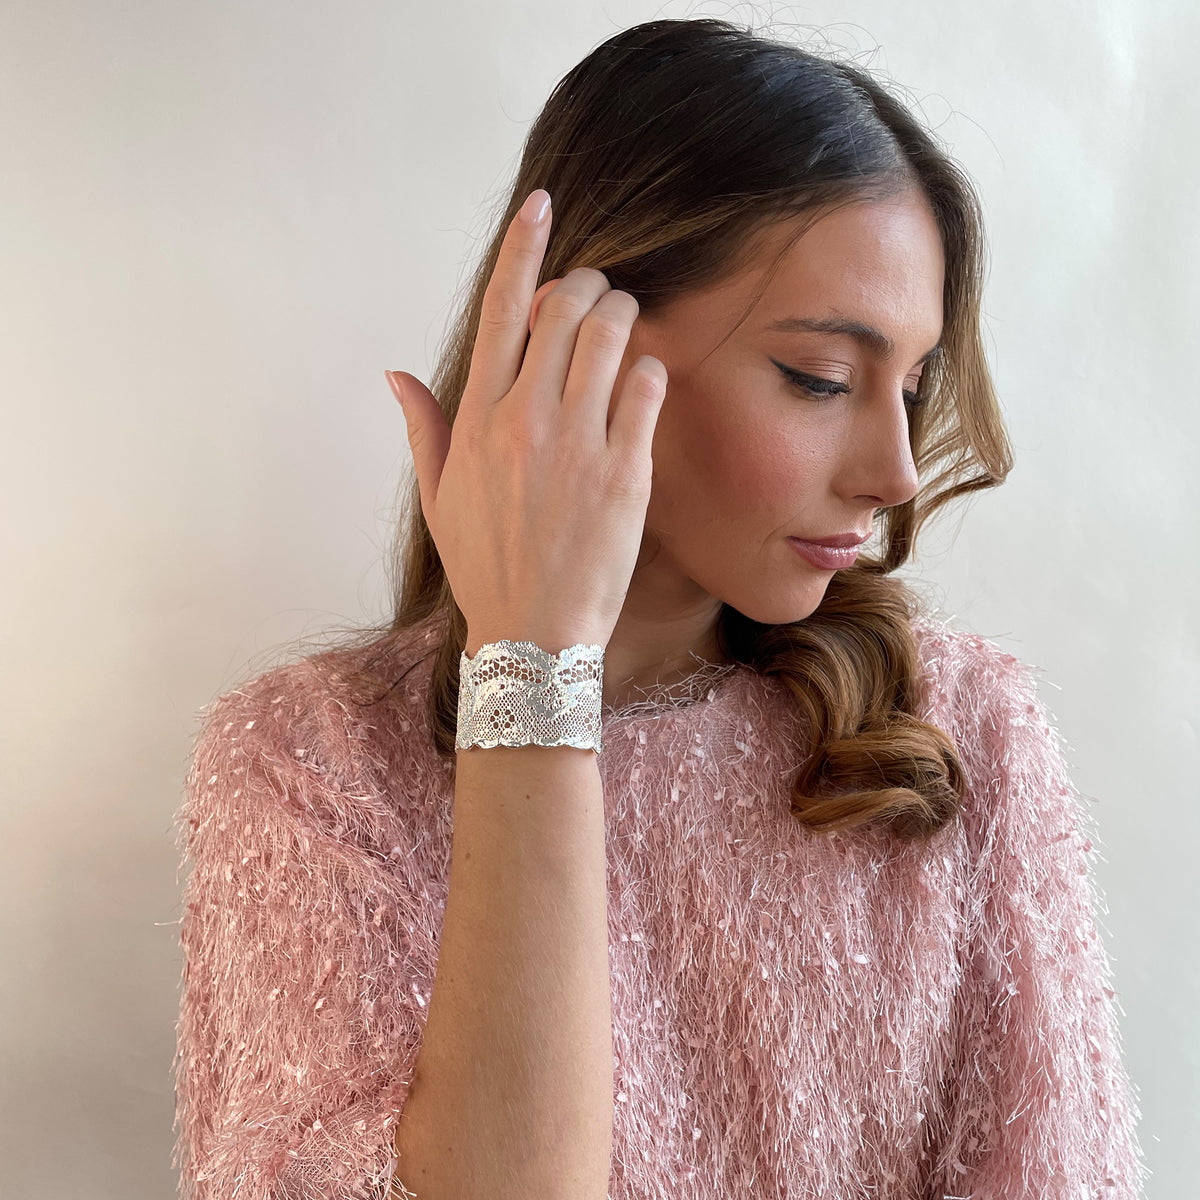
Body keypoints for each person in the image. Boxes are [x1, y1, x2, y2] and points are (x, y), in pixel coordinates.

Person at [171, 17, 1147, 1200]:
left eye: (915, 383)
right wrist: (531, 669)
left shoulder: (963, 731)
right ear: (579, 341)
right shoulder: (311, 772)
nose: (897, 470)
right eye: (822, 378)